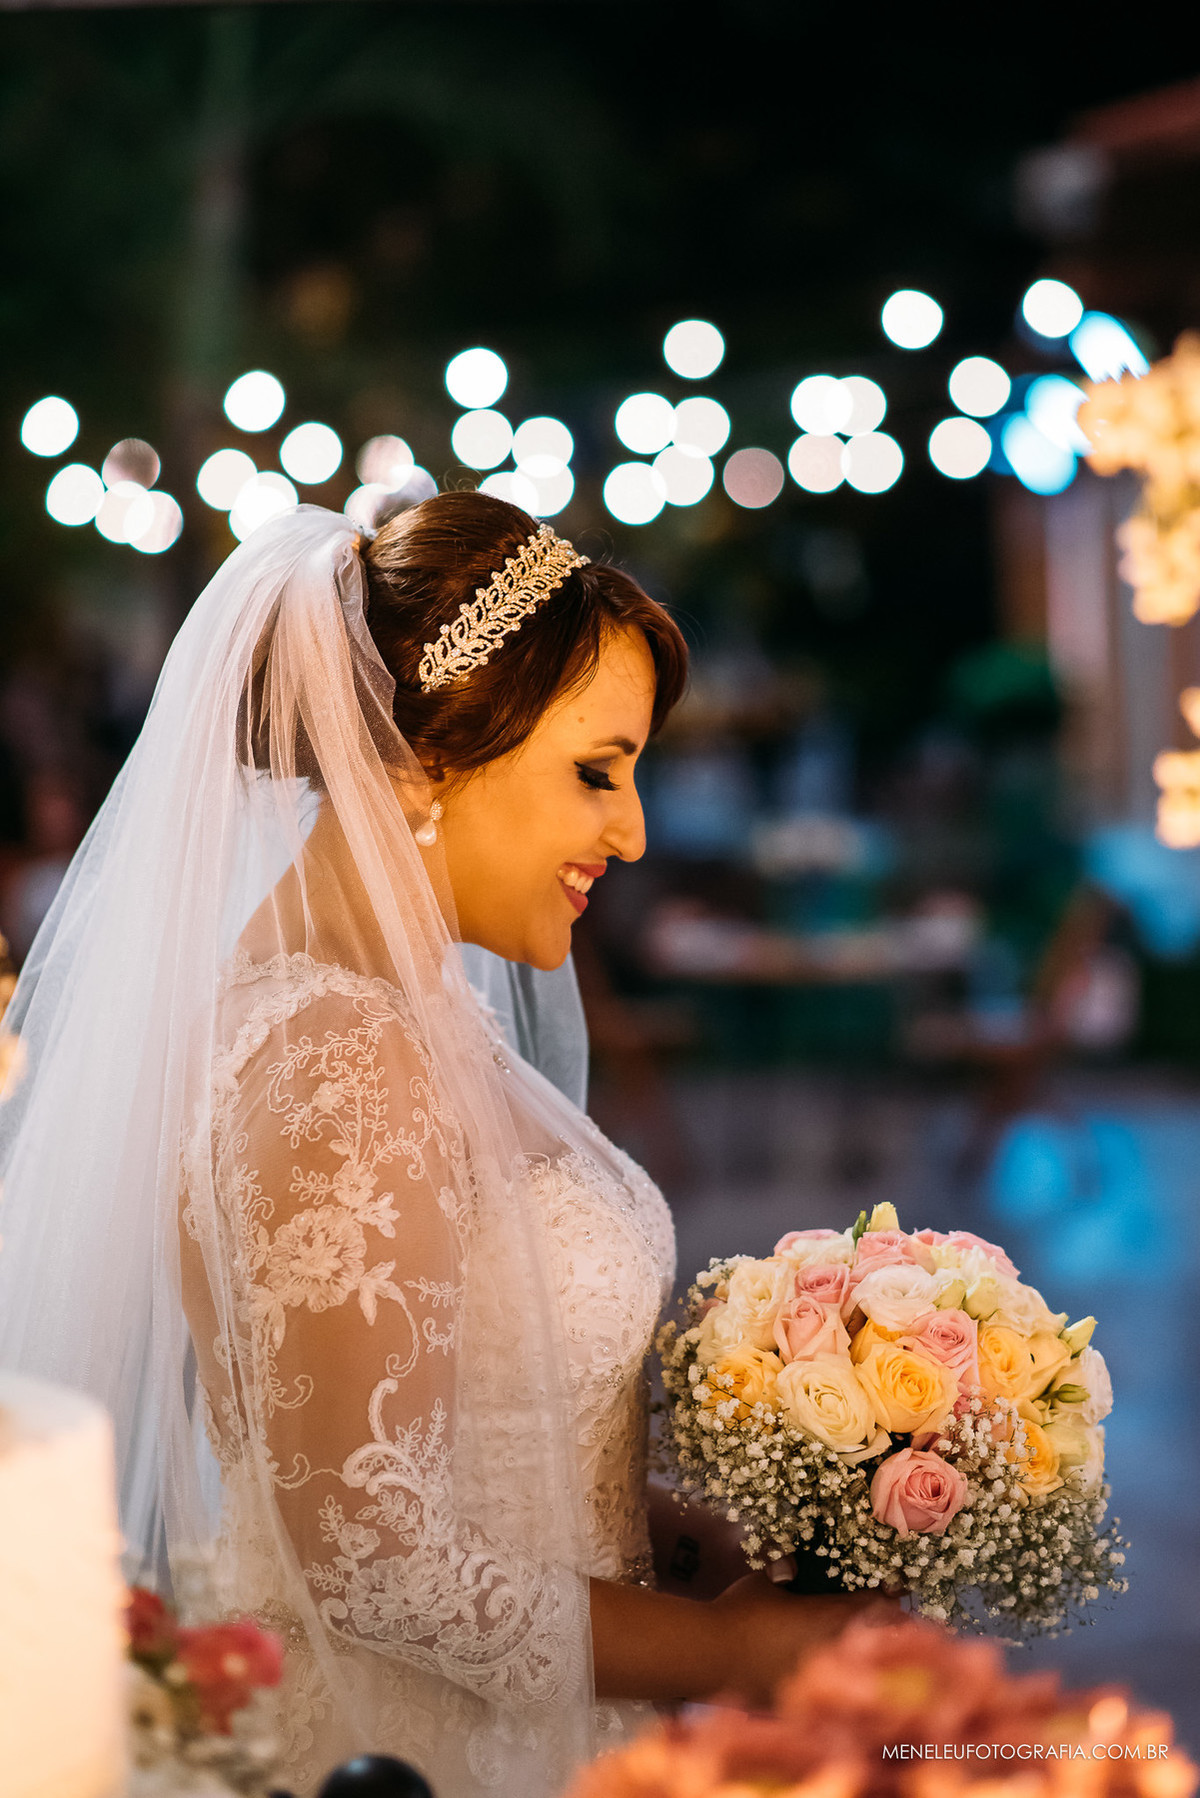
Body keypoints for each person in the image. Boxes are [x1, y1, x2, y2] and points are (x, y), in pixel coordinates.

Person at [0, 494, 875, 1798]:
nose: (631, 832)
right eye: (597, 769)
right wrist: (723, 1649)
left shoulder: (412, 1007)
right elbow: (369, 1549)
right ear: (425, 763)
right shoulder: (334, 1062)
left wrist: (698, 1541)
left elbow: (492, 1436)